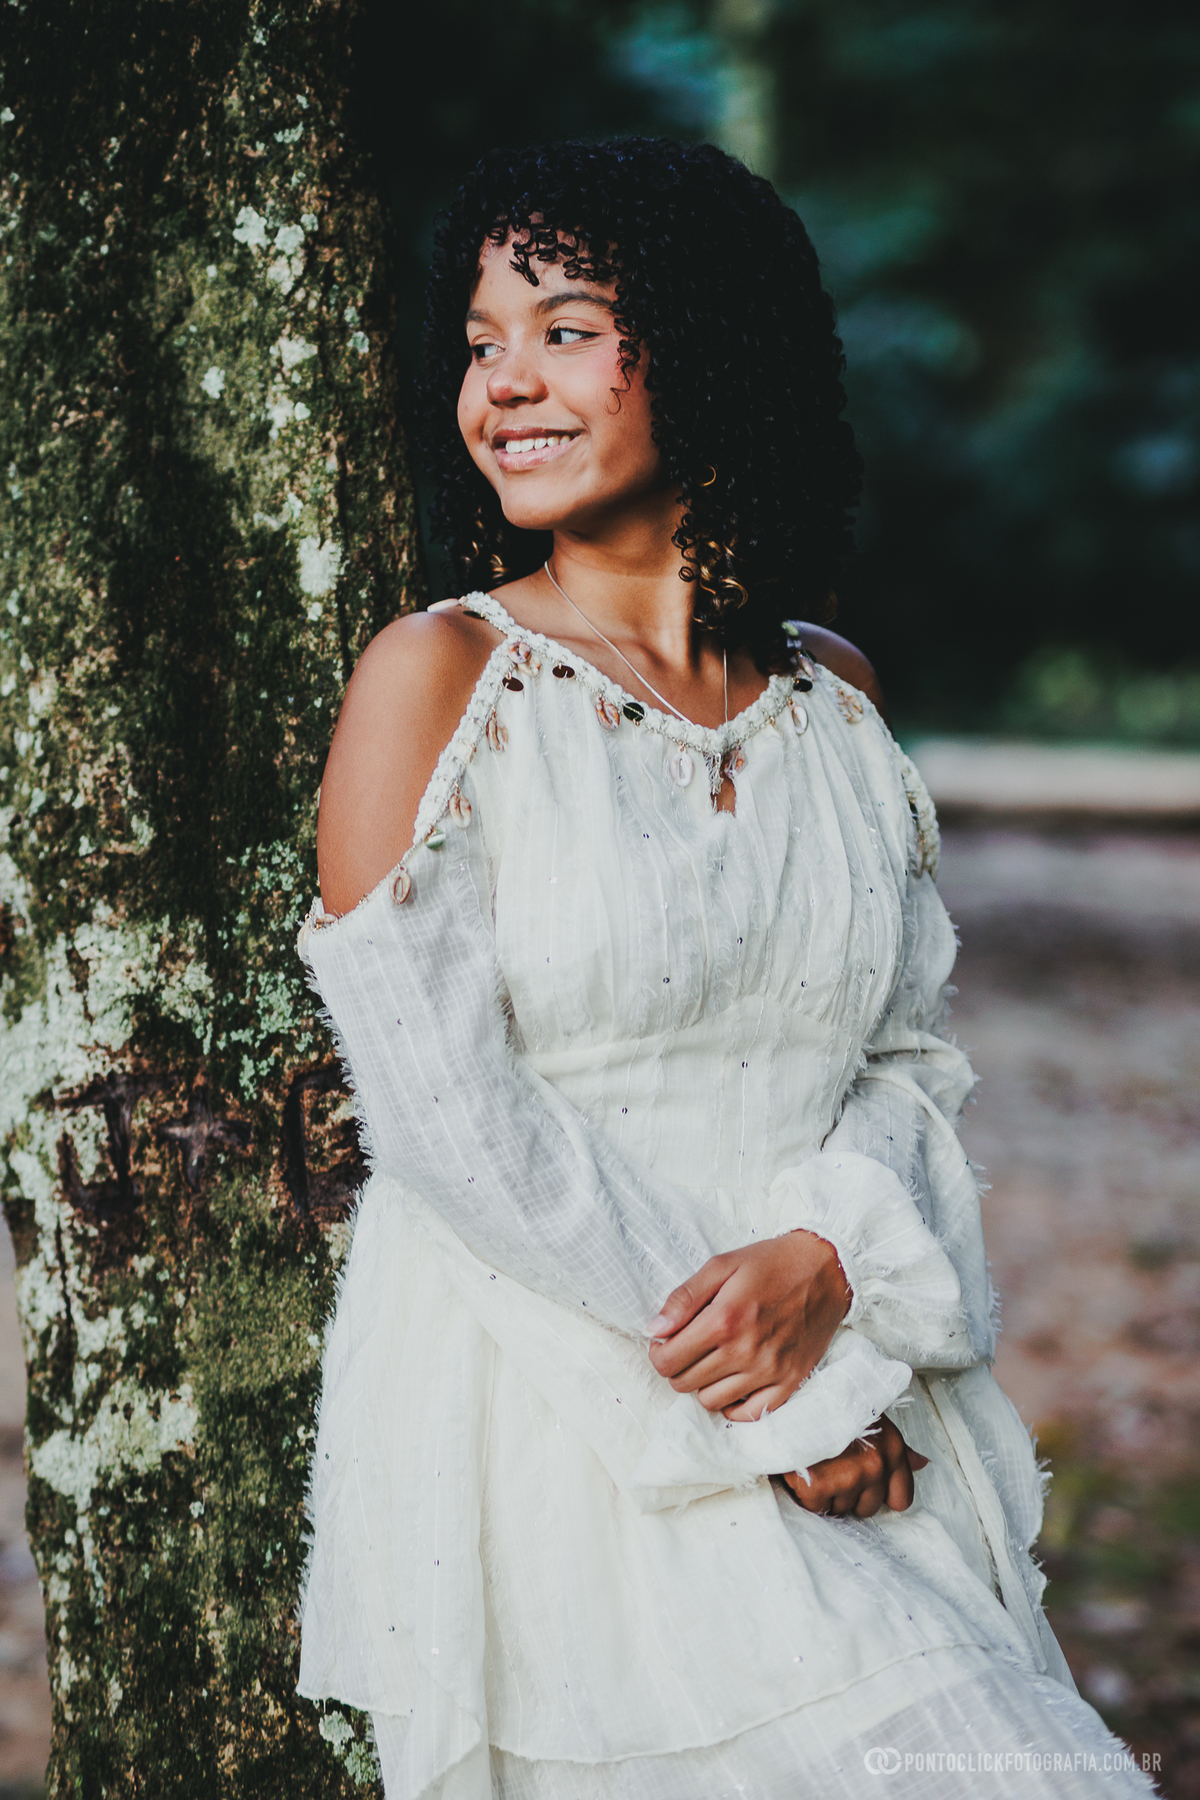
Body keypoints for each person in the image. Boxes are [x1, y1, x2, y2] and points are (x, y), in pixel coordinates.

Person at [296, 139, 1156, 1798]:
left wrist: (834, 1256)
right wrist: (791, 1401)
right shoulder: (441, 680)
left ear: (703, 343)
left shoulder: (833, 692)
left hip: (861, 1386)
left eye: (564, 325)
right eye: (481, 339)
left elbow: (904, 1055)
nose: (505, 384)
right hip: (571, 1420)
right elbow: (454, 1126)